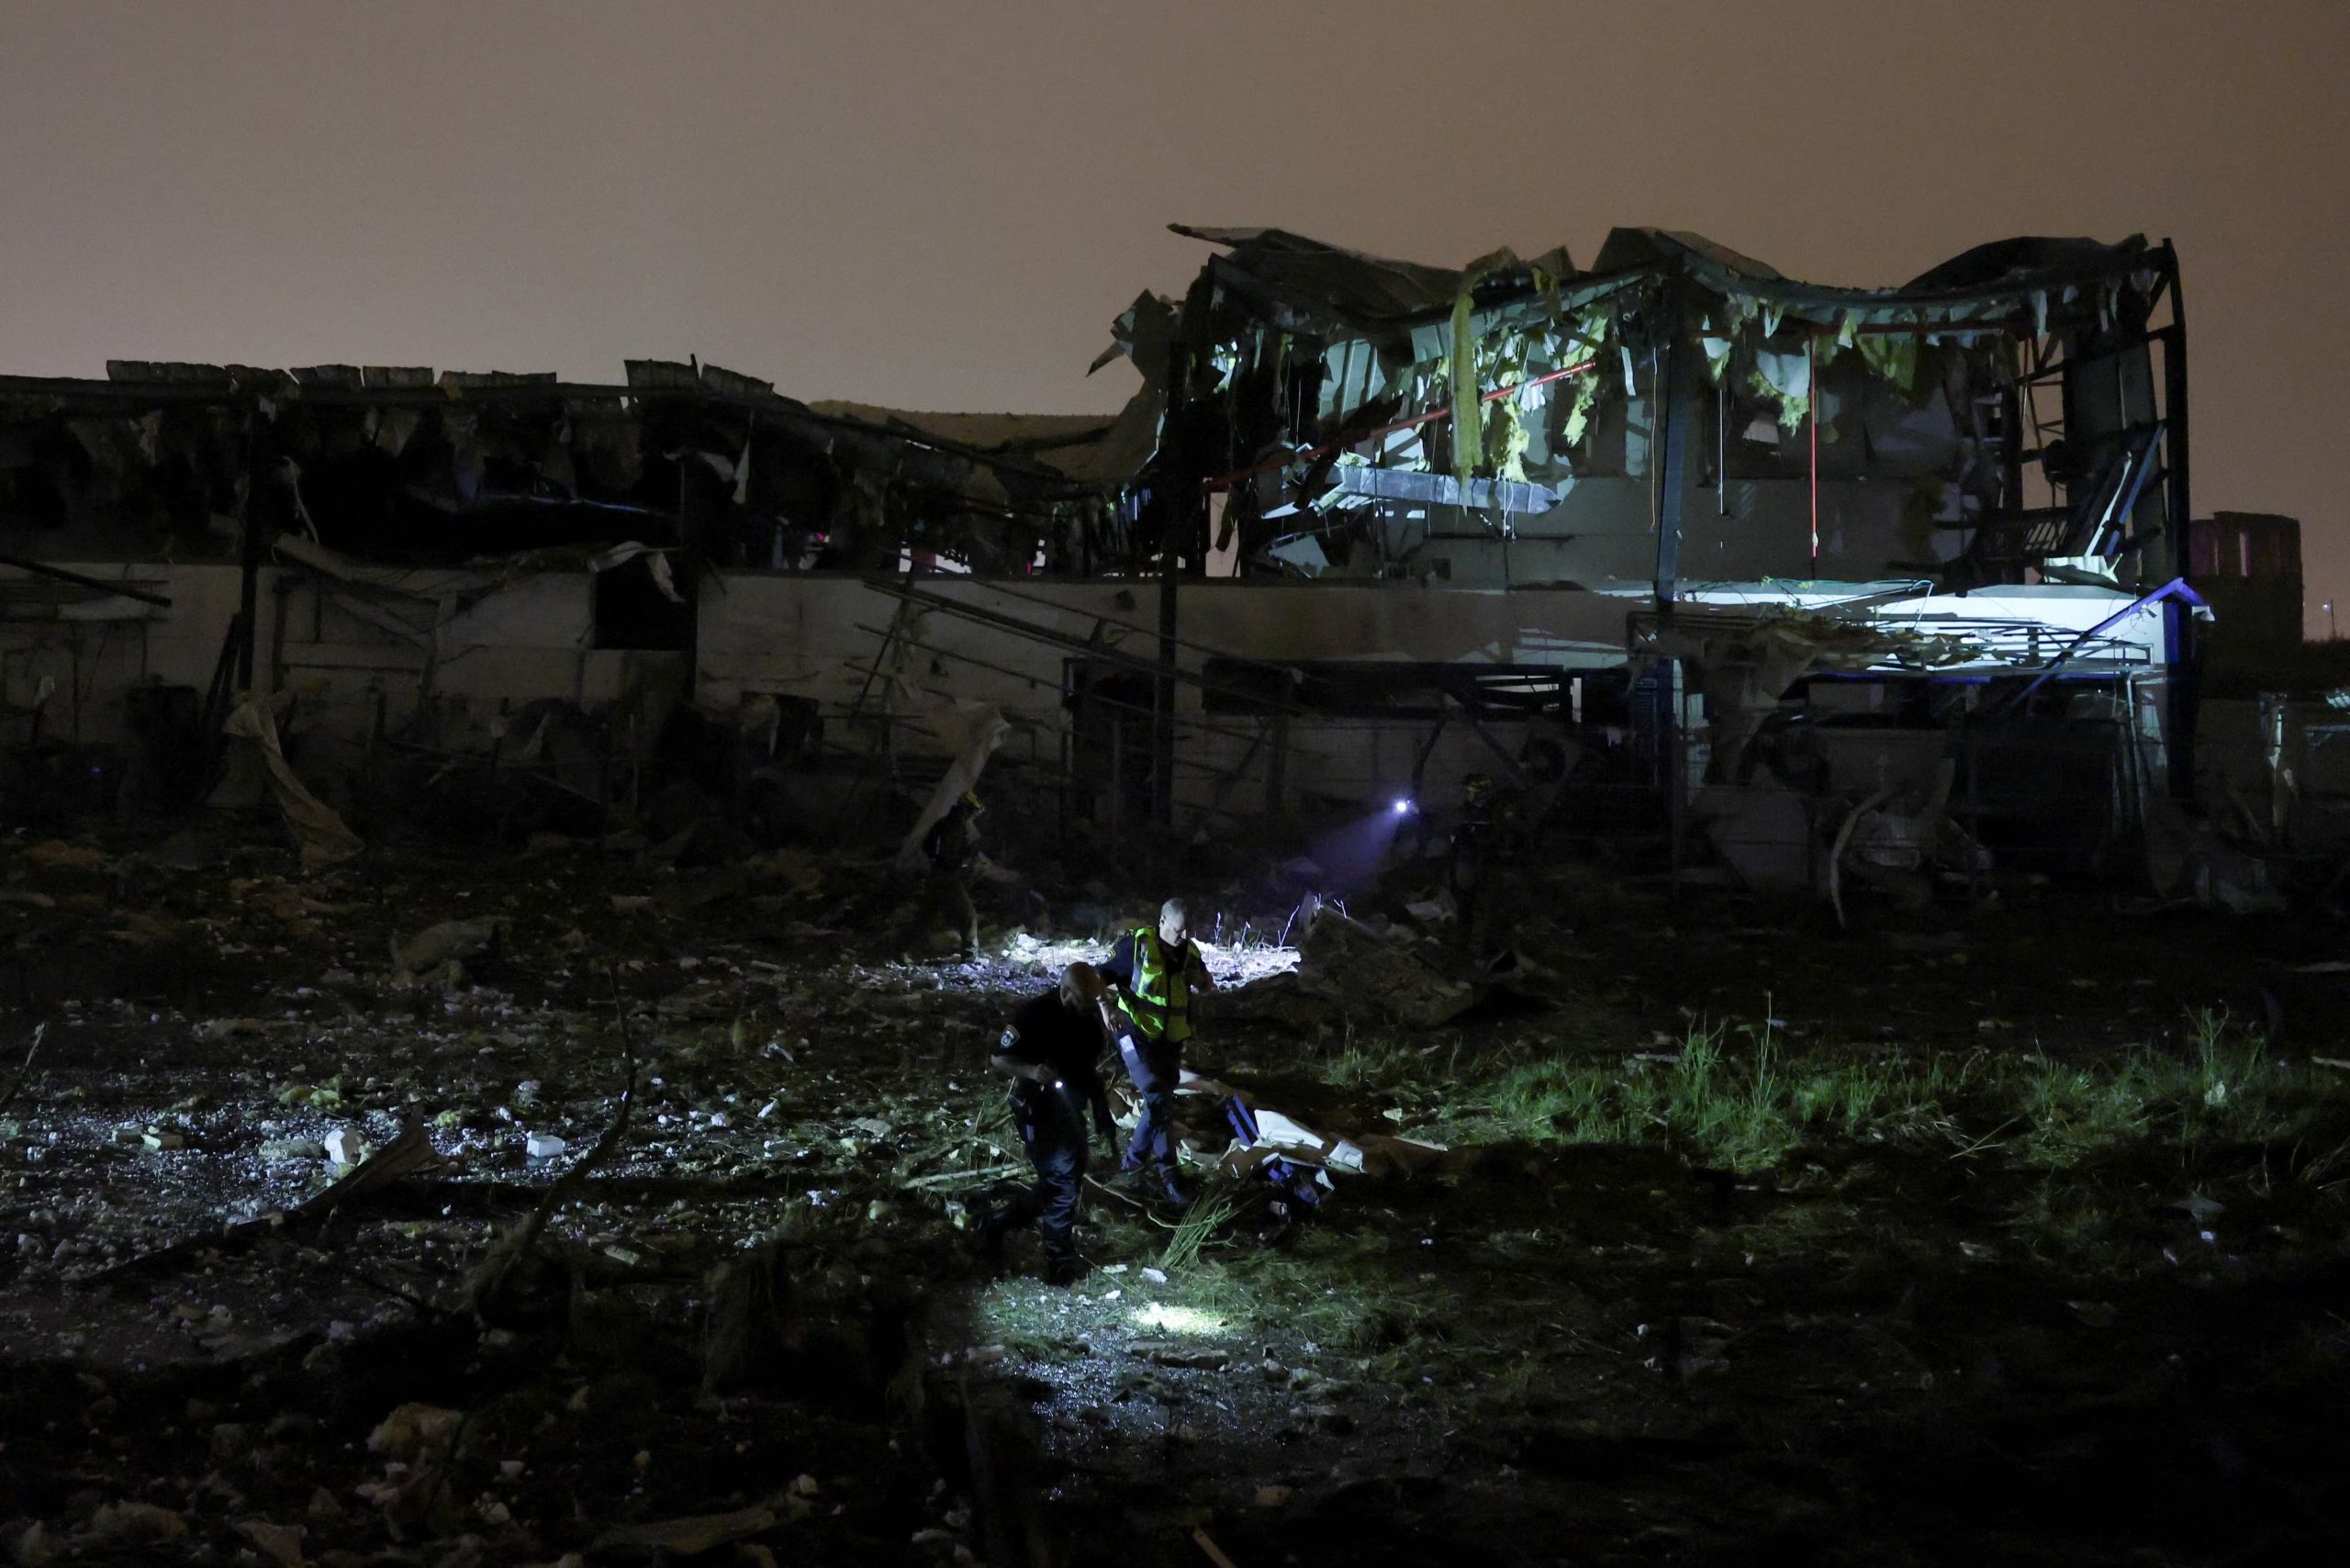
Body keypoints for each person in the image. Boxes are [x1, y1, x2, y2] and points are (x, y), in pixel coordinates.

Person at [968, 962, 1119, 1285]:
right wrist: (1032, 1071)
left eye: (1094, 1003)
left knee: (1060, 1182)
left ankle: (998, 1223)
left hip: (1070, 1109)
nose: (1090, 1009)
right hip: (1038, 1108)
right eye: (1084, 1002)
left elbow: (1089, 1071)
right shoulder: (1035, 1015)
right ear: (1066, 993)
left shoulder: (1088, 1018)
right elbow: (999, 1057)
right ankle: (1059, 1260)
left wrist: (1102, 1113)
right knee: (1063, 1182)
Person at [1098, 897, 1215, 1204]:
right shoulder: (1134, 947)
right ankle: (1150, 1169)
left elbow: (1205, 983)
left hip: (1169, 1042)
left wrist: (1204, 982)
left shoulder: (1189, 951)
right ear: (1162, 922)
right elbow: (1098, 977)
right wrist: (1104, 1009)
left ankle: (1144, 1171)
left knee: (1161, 1102)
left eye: (1188, 931)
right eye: (1178, 930)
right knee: (1157, 1097)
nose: (1184, 937)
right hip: (1133, 1035)